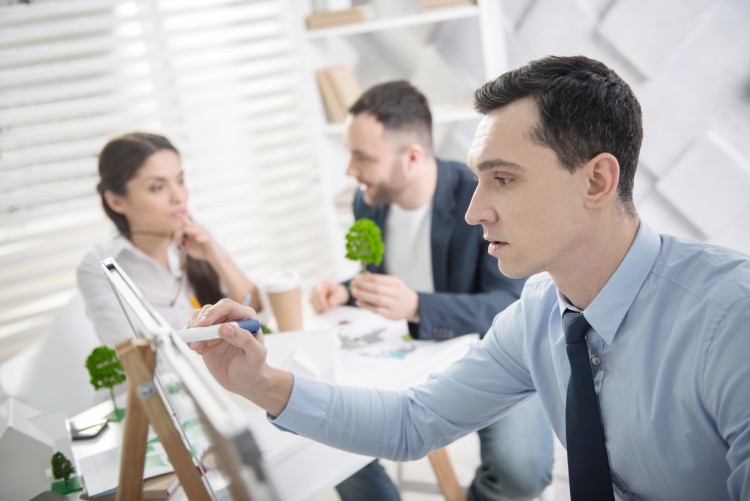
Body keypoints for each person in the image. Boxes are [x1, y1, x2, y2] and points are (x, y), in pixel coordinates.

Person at [187, 55, 750, 500]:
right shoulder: (539, 314)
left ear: (598, 181)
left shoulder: (731, 319)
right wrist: (260, 382)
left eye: (504, 179)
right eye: (480, 179)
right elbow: (412, 422)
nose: (474, 210)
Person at [310, 80, 552, 501]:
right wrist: (346, 290)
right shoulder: (368, 201)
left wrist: (417, 306)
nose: (349, 170)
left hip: (491, 352)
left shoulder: (481, 202)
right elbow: (384, 276)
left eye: (361, 156)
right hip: (404, 355)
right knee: (326, 428)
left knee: (521, 471)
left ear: (413, 157)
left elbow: (507, 304)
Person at [77, 132, 262, 347]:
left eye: (180, 180)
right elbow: (136, 359)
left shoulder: (199, 237)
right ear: (116, 201)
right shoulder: (100, 269)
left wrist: (218, 257)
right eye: (157, 187)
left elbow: (257, 320)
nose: (179, 196)